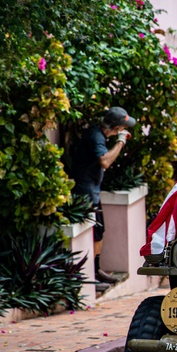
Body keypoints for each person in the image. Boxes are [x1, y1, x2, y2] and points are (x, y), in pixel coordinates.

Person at [70, 106, 136, 287]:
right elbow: (105, 162)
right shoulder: (96, 137)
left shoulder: (98, 133)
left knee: (99, 231)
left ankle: (96, 270)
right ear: (116, 128)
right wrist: (121, 142)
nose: (123, 130)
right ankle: (92, 274)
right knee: (94, 231)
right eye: (122, 127)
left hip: (92, 190)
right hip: (85, 192)